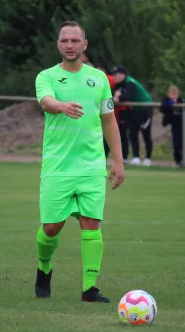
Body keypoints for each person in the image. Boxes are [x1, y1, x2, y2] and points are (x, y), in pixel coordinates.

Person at [34, 20, 125, 303]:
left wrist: (119, 161)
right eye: (65, 41)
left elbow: (109, 121)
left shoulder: (98, 79)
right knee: (52, 227)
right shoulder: (46, 76)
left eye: (75, 41)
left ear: (84, 45)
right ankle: (44, 267)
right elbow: (46, 102)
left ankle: (89, 288)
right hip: (57, 166)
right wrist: (62, 106)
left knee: (91, 223)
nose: (70, 45)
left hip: (91, 166)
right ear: (58, 44)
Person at [112, 67, 154, 166]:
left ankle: (148, 158)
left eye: (116, 75)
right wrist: (117, 96)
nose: (114, 77)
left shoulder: (130, 82)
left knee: (146, 133)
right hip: (134, 110)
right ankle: (136, 157)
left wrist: (118, 97)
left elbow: (127, 97)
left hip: (145, 109)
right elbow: (114, 93)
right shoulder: (120, 84)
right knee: (133, 133)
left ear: (122, 74)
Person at [160, 85, 185, 167]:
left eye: (176, 94)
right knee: (176, 144)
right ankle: (177, 161)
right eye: (172, 95)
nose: (174, 96)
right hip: (175, 126)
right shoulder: (166, 101)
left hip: (184, 125)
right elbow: (163, 108)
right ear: (168, 95)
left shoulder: (182, 100)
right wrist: (171, 103)